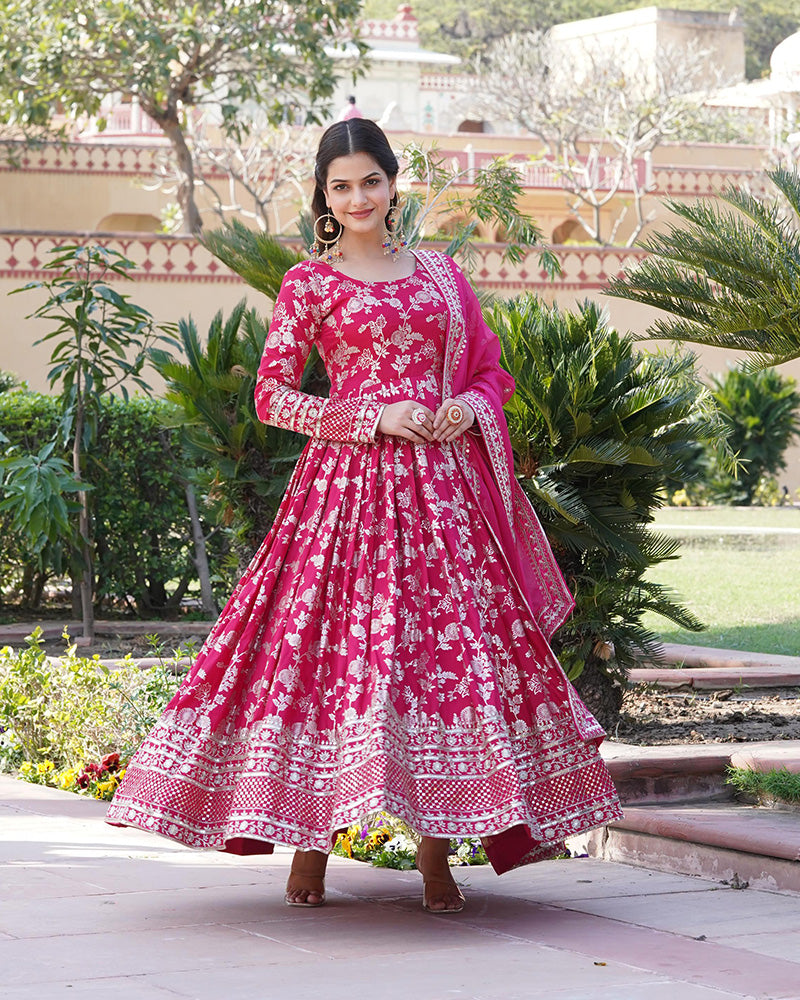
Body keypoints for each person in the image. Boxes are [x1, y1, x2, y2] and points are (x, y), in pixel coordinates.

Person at [107, 119, 622, 914]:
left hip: (442, 501)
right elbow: (272, 395)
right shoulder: (310, 284)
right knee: (326, 658)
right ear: (324, 195)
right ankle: (307, 847)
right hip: (343, 496)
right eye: (341, 186)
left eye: (371, 182)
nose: (358, 199)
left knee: (439, 665)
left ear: (393, 185)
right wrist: (371, 416)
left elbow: (489, 373)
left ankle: (436, 856)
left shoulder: (443, 279)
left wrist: (460, 408)